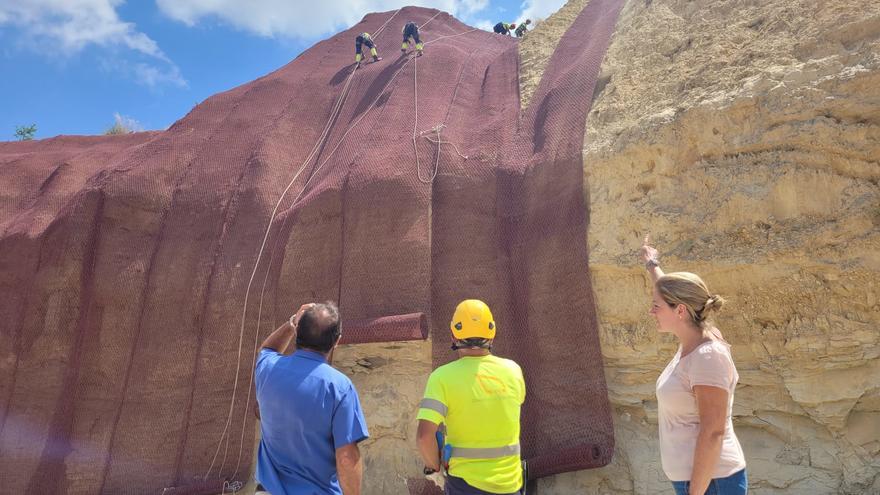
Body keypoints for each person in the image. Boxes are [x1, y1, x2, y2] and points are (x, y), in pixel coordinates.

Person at [640, 236, 748, 495]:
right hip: (701, 482)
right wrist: (652, 264)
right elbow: (671, 293)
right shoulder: (693, 338)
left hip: (713, 484)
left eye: (656, 306)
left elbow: (713, 433)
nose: (651, 312)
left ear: (680, 312)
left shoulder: (707, 357)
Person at [254, 302, 369, 495]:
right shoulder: (340, 387)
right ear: (337, 340)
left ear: (298, 331)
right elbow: (347, 458)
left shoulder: (267, 369)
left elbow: (267, 349)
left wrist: (291, 323)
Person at [416, 299, 526, 495]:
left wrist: (434, 467)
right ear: (492, 333)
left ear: (453, 335)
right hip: (511, 485)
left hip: (465, 486)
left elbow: (425, 437)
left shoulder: (442, 378)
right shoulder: (513, 371)